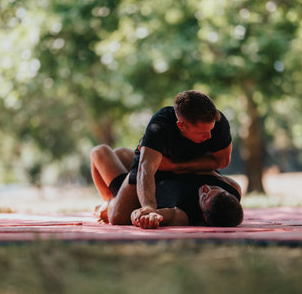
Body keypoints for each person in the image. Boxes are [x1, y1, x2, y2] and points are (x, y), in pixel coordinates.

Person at [92, 90, 233, 226]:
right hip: (152, 166)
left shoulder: (219, 124)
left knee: (121, 155)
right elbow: (145, 169)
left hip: (173, 168)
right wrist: (148, 207)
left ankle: (120, 167)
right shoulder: (160, 124)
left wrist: (174, 166)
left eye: (211, 129)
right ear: (181, 125)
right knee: (118, 218)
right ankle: (111, 201)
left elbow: (222, 161)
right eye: (203, 132)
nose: (209, 136)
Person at [90, 145, 243, 228]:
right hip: (160, 171)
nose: (205, 188)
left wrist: (149, 218)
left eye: (204, 197)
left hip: (140, 187)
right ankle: (111, 201)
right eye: (215, 189)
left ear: (204, 216)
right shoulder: (232, 187)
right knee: (121, 153)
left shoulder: (184, 215)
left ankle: (111, 200)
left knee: (99, 152)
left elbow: (161, 215)